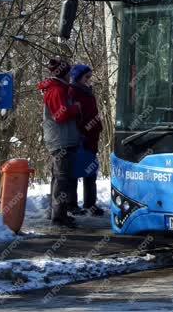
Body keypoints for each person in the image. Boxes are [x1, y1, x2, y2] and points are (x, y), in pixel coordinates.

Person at [37, 57, 81, 228]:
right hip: (60, 140)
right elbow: (60, 115)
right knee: (62, 179)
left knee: (61, 177)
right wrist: (76, 108)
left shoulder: (60, 89)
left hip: (63, 139)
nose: (71, 75)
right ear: (63, 73)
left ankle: (58, 213)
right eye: (68, 72)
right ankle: (58, 217)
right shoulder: (56, 90)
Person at [69, 64, 105, 216]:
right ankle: (71, 204)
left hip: (91, 138)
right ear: (78, 77)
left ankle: (90, 203)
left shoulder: (87, 91)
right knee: (75, 172)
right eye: (87, 77)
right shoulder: (73, 91)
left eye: (90, 77)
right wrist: (82, 132)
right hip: (81, 137)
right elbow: (75, 115)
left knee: (91, 172)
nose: (89, 80)